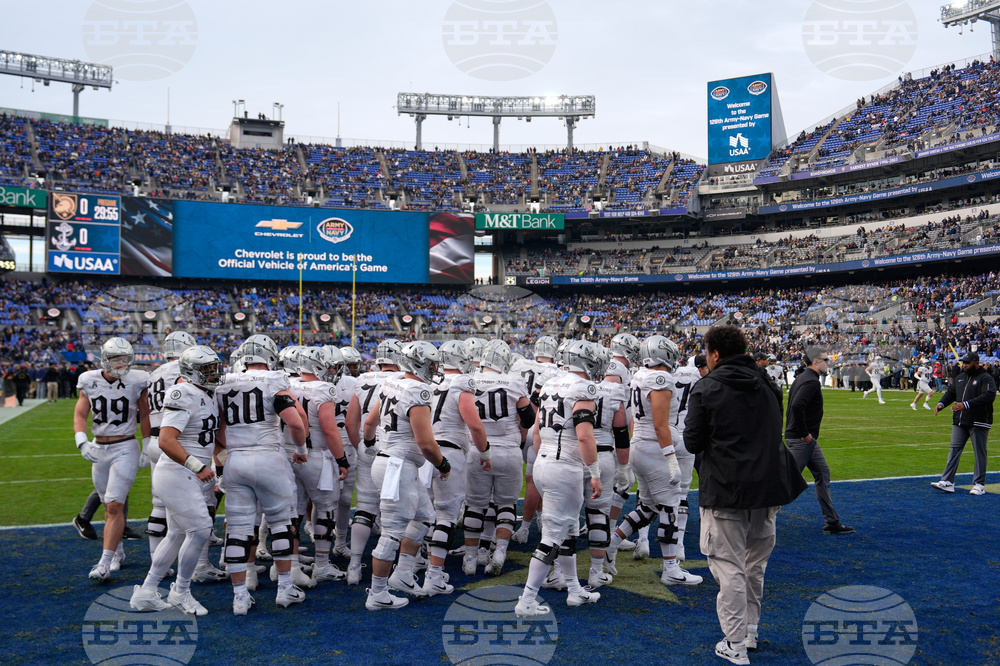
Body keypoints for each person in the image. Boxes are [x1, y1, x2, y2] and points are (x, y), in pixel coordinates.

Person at [685, 325, 807, 665]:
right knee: (754, 565)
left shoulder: (706, 387)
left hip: (726, 488)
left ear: (715, 354)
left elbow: (692, 441)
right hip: (767, 487)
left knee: (730, 567)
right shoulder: (768, 382)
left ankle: (736, 642)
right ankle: (749, 631)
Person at [216, 334, 308, 615]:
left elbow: (217, 430)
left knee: (239, 529)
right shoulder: (274, 380)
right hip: (268, 457)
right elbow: (294, 421)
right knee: (281, 524)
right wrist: (301, 448)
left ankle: (240, 597)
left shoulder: (224, 382)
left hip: (235, 460)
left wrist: (225, 456)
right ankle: (284, 589)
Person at [129, 346, 223, 616]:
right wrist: (197, 466)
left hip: (186, 473)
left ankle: (146, 592)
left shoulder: (206, 392)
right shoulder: (184, 392)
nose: (214, 373)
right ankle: (181, 591)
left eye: (214, 367)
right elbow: (167, 440)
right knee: (201, 529)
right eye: (207, 369)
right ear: (192, 371)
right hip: (177, 472)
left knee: (177, 533)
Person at [514, 340, 603, 617]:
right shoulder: (583, 389)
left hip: (545, 462)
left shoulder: (551, 383)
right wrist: (596, 474)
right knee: (553, 535)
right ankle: (527, 599)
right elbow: (585, 436)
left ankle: (575, 589)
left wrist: (545, 461)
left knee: (570, 531)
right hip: (564, 466)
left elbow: (537, 431)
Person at [362, 340, 451, 610]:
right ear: (418, 363)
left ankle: (402, 573)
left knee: (425, 516)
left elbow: (369, 422)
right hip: (397, 466)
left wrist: (369, 445)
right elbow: (426, 443)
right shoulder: (419, 391)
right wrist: (443, 464)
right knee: (391, 531)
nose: (434, 368)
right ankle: (377, 593)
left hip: (390, 462)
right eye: (431, 364)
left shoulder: (392, 383)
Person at [73, 337, 151, 581]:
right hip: (100, 447)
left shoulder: (138, 380)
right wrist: (81, 440)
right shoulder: (89, 379)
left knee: (116, 505)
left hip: (125, 447)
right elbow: (80, 412)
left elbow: (146, 414)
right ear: (105, 359)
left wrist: (147, 443)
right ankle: (117, 552)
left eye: (125, 358)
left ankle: (104, 563)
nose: (121, 363)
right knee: (108, 506)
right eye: (116, 358)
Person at [786, 348, 854, 535]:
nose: (828, 363)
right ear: (815, 361)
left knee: (823, 474)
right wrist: (804, 433)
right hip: (802, 439)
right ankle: (754, 518)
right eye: (825, 360)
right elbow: (797, 405)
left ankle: (831, 522)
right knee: (786, 481)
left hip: (803, 439)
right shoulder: (810, 381)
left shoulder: (803, 377)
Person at [932, 351, 997, 496]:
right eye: (964, 362)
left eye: (967, 363)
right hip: (960, 419)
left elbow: (989, 395)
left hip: (979, 420)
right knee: (954, 450)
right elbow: (951, 392)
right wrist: (942, 403)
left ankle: (979, 484)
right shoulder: (960, 377)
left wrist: (966, 405)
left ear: (976, 362)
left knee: (979, 452)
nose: (965, 365)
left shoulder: (986, 378)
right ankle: (948, 481)